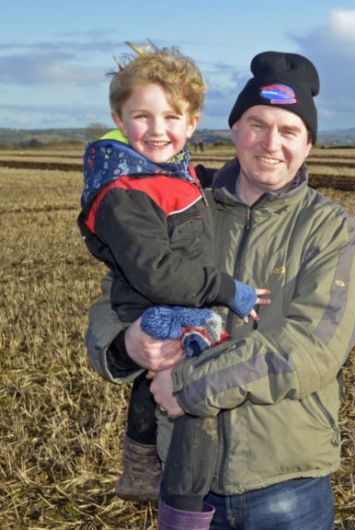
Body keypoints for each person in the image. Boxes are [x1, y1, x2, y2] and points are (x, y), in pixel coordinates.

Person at [85, 50, 355, 530]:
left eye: (289, 130)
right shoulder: (187, 207)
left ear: (309, 144)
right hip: (188, 477)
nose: (270, 143)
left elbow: (311, 350)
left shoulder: (331, 230)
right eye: (256, 124)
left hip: (287, 479)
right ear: (232, 130)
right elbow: (115, 294)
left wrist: (192, 385)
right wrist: (123, 344)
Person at [77, 42, 262, 509]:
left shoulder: (170, 175)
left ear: (193, 123)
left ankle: (151, 468)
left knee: (166, 383)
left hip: (178, 300)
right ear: (119, 119)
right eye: (142, 116)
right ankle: (168, 491)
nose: (158, 130)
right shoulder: (124, 191)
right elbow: (156, 272)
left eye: (172, 118)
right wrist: (228, 291)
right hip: (159, 304)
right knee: (187, 409)